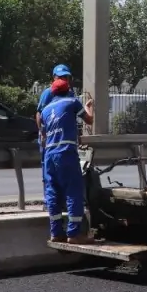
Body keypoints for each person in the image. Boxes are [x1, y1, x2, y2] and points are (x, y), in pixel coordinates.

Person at [41, 78, 95, 243]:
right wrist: (89, 107)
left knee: (53, 193)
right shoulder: (72, 102)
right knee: (74, 191)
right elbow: (89, 120)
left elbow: (43, 134)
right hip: (65, 153)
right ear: (68, 89)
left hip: (49, 154)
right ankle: (73, 234)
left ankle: (56, 233)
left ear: (53, 92)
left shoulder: (45, 110)